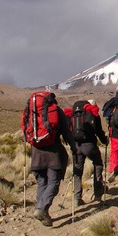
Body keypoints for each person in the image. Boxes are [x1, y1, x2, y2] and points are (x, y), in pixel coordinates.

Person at [29, 93, 77, 227]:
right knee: (54, 182)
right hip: (53, 152)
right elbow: (67, 132)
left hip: (36, 152)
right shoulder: (56, 110)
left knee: (42, 182)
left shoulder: (32, 111)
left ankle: (41, 209)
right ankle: (42, 209)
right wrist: (73, 147)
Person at [71, 99, 109, 206]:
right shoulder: (93, 114)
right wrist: (104, 141)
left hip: (76, 146)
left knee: (77, 171)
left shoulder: (74, 114)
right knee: (98, 165)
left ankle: (77, 197)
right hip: (90, 145)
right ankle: (97, 194)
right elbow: (99, 131)